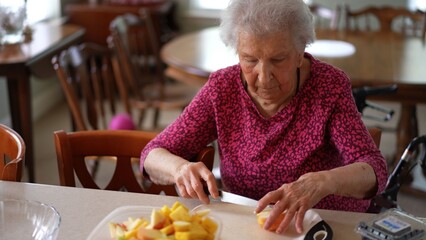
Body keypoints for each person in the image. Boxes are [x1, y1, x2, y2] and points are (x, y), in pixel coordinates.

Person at [140, 0, 387, 235]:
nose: (264, 76)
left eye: (278, 60)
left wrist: (322, 182)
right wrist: (180, 168)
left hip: (324, 226)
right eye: (250, 60)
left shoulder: (329, 86)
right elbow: (152, 154)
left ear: (300, 52)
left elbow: (374, 169)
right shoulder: (222, 89)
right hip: (250, 227)